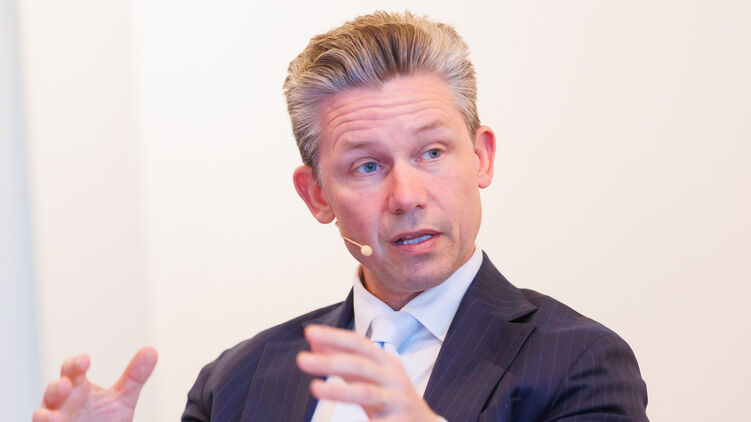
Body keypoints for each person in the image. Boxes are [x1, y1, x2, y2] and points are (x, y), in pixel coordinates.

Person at [34, 11, 648, 422]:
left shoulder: (579, 362)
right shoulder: (236, 382)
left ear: (481, 157)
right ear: (317, 196)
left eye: (432, 153)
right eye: (368, 166)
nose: (407, 195)